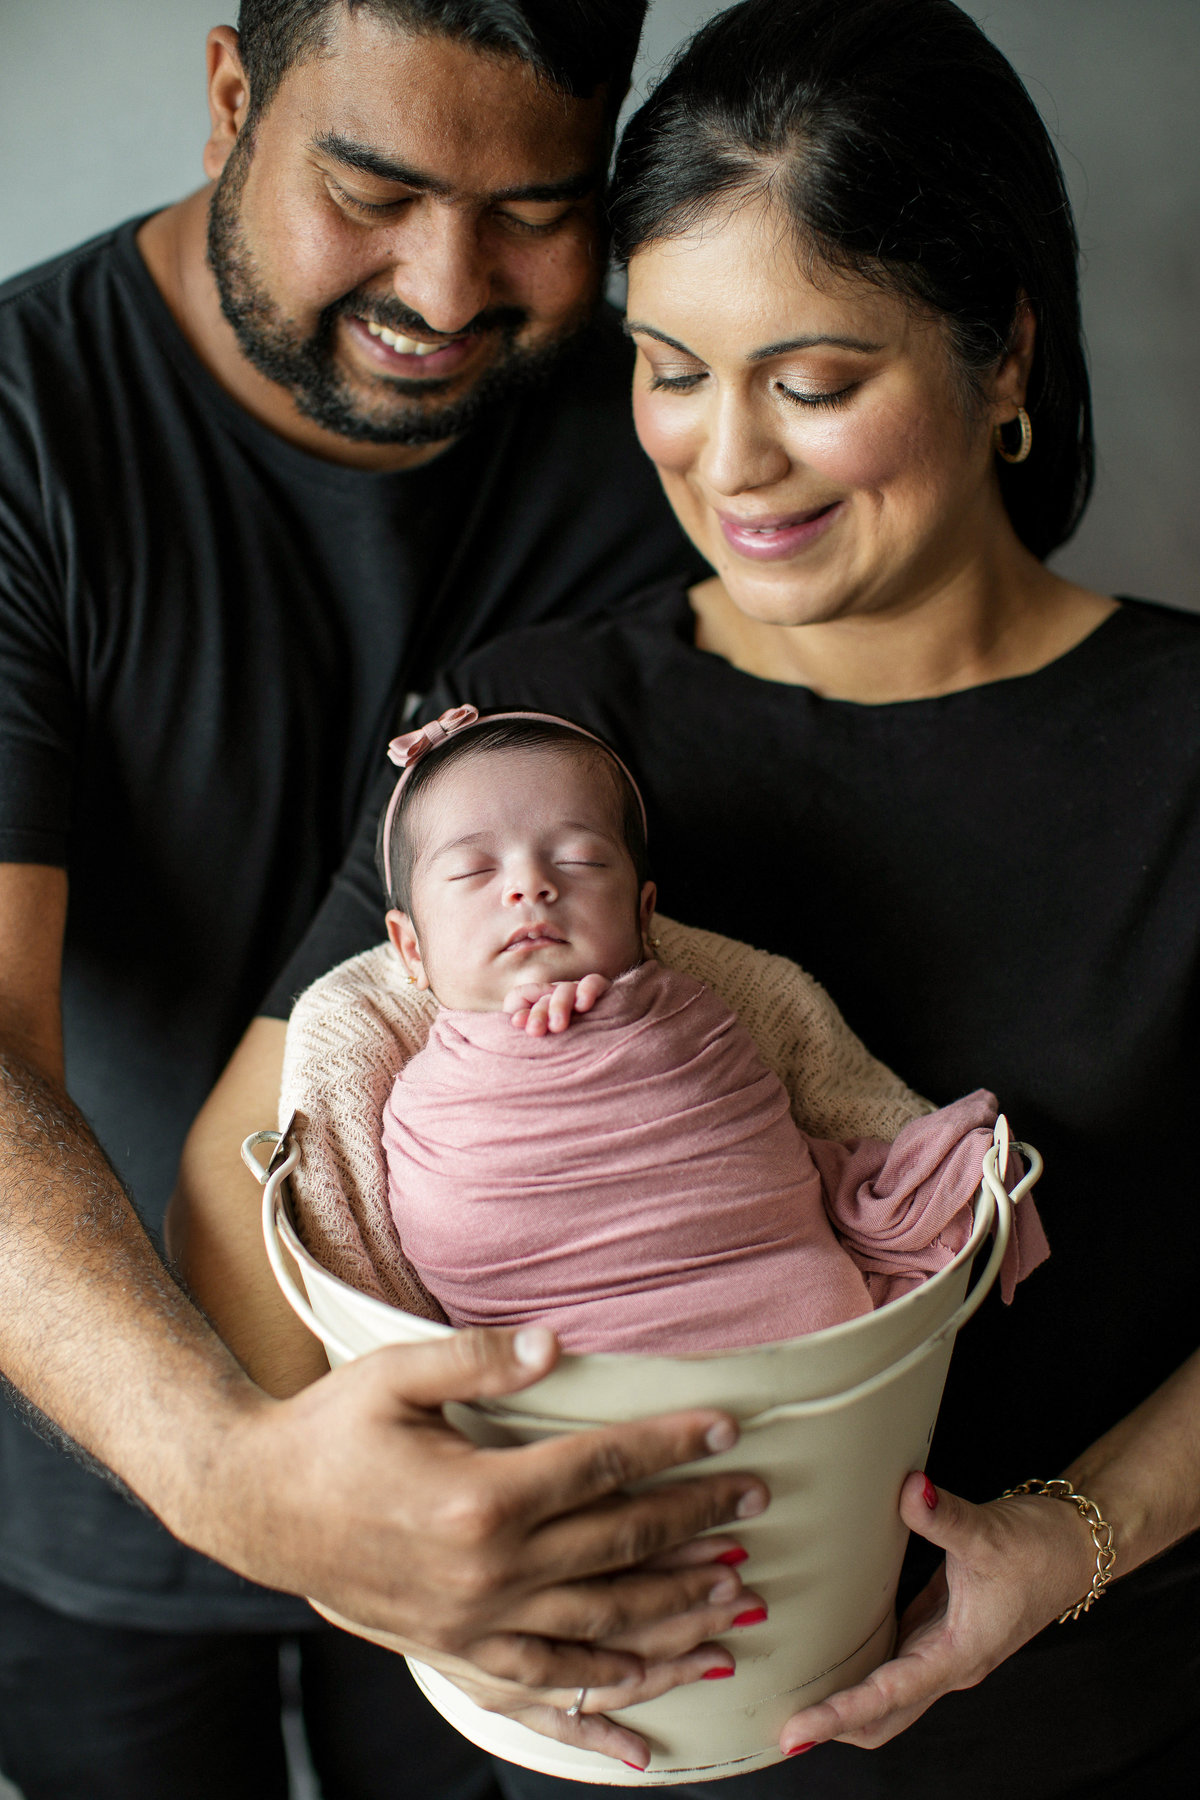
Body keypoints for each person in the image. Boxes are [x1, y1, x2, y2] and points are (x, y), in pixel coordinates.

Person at [178, 1, 1200, 1793]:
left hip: (1091, 1720)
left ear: (1006, 353)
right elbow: (247, 1182)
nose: (727, 462)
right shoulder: (532, 743)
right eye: (669, 368)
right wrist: (380, 1559)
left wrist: (1073, 1537)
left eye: (812, 384)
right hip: (604, 1735)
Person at [0, 4, 779, 1797]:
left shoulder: (664, 422)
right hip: (105, 1467)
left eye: (534, 212)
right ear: (229, 99)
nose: (446, 287)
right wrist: (227, 1471)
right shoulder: (27, 431)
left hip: (537, 1482)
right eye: (372, 192)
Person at [372, 705, 1043, 1353]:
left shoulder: (690, 1012)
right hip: (556, 1368)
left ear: (643, 917)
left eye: (578, 860)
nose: (530, 884)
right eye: (473, 869)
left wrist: (618, 1018)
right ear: (411, 950)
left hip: (800, 1339)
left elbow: (752, 1150)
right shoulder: (414, 1089)